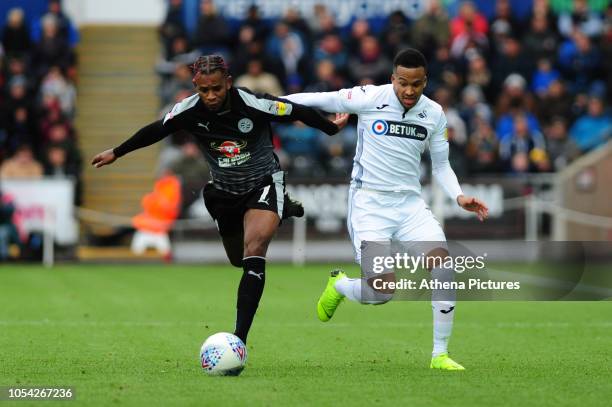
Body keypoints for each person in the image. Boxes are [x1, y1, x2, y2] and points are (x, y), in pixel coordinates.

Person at [91, 55, 345, 345]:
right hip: (224, 192)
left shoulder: (253, 103)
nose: (211, 96)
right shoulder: (188, 111)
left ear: (228, 82)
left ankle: (239, 339)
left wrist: (330, 128)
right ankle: (282, 209)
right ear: (195, 86)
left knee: (255, 249)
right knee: (238, 259)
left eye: (217, 89)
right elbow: (156, 129)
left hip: (264, 183)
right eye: (204, 90)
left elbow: (295, 110)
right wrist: (118, 151)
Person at [282, 48, 489, 370]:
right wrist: (270, 102)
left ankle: (440, 355)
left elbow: (442, 165)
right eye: (402, 83)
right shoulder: (370, 97)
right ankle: (340, 286)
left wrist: (459, 196)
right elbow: (320, 99)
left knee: (444, 268)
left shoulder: (434, 114)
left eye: (416, 84)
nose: (409, 91)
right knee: (382, 292)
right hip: (369, 204)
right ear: (393, 78)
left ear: (425, 82)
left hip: (410, 206)